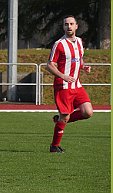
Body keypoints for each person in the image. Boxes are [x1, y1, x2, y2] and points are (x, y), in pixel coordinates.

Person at [46, 15, 93, 153]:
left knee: (88, 112)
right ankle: (54, 146)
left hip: (76, 85)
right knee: (66, 116)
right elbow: (50, 65)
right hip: (63, 86)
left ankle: (60, 119)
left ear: (76, 26)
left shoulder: (79, 41)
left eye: (71, 24)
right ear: (63, 27)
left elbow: (79, 59)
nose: (69, 26)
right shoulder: (59, 44)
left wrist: (83, 67)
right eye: (66, 24)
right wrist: (63, 76)